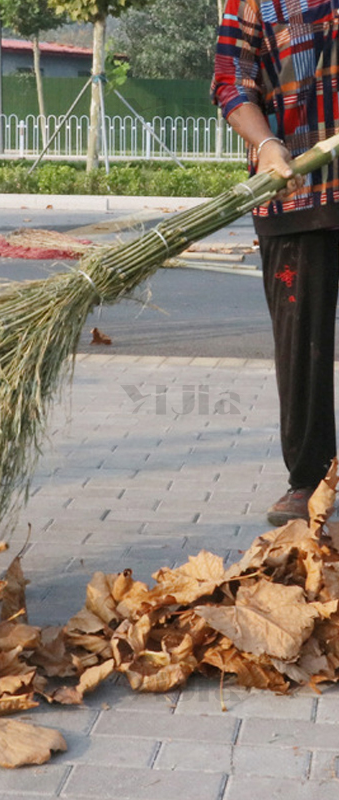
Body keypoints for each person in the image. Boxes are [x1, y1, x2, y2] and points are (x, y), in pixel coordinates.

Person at [212, 0, 339, 526]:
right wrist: (265, 144)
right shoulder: (256, 4)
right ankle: (309, 480)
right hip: (297, 197)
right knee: (301, 347)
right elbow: (230, 81)